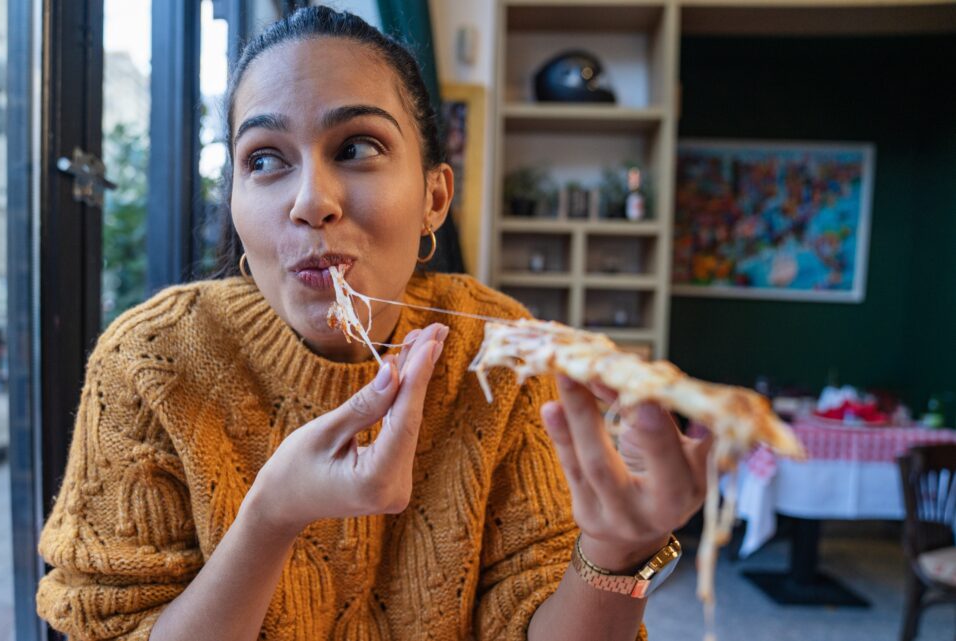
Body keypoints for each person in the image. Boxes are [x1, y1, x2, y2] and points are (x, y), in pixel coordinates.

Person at [36, 7, 710, 640]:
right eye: (264, 159)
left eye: (357, 147)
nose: (311, 201)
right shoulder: (150, 360)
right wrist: (272, 515)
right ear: (236, 204)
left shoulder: (497, 353)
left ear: (434, 197)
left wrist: (617, 552)